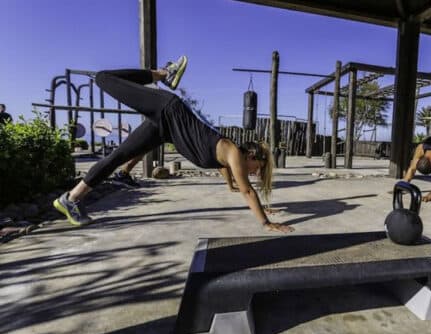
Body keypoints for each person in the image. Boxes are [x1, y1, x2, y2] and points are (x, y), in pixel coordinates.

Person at [53, 56, 294, 233]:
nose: (253, 173)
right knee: (103, 78)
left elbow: (228, 174)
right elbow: (248, 191)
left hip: (164, 130)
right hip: (168, 108)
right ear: (252, 155)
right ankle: (161, 74)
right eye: (257, 168)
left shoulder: (226, 157)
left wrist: (232, 188)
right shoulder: (233, 152)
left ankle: (71, 199)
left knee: (118, 157)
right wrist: (265, 222)